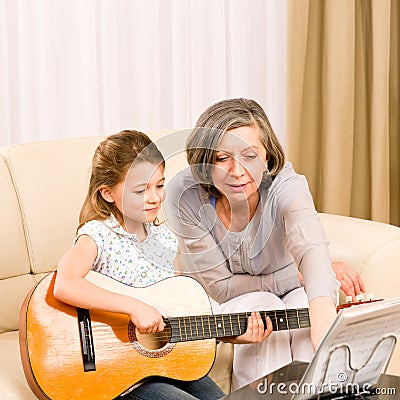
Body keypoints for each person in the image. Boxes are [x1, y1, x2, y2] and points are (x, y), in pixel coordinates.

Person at [164, 98, 366, 390]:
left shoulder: (288, 184)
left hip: (290, 293)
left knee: (303, 304)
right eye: (221, 159)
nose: (237, 170)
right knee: (263, 306)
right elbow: (219, 286)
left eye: (250, 155)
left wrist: (321, 310)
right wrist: (297, 275)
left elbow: (310, 246)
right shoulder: (184, 195)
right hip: (215, 300)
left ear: (268, 157)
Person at [53, 130, 227, 400]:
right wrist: (134, 307)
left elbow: (177, 306)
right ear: (108, 193)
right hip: (122, 373)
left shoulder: (166, 238)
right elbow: (64, 284)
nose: (155, 197)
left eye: (159, 185)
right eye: (140, 190)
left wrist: (229, 331)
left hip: (162, 363)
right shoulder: (98, 235)